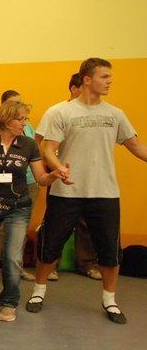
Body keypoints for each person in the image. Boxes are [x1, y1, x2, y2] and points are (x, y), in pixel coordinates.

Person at [27, 58, 147, 324]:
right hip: (65, 193)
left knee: (109, 250)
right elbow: (47, 148)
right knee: (50, 245)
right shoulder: (60, 112)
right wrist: (59, 167)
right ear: (87, 79)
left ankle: (109, 300)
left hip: (105, 193)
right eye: (104, 77)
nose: (109, 82)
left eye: (110, 77)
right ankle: (38, 291)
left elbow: (137, 146)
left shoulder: (115, 114)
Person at [0, 100, 70, 322]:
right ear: (8, 121)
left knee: (12, 258)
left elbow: (41, 178)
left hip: (18, 209)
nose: (25, 123)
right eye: (21, 119)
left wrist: (54, 175)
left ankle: (9, 301)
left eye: (26, 119)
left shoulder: (29, 145)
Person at [34, 73, 101, 282]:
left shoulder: (96, 114)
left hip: (90, 177)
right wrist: (47, 168)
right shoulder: (56, 112)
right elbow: (38, 142)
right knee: (56, 222)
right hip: (59, 176)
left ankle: (86, 264)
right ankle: (50, 265)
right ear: (73, 88)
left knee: (86, 223)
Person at [0, 91, 38, 282]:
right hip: (3, 185)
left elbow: (35, 152)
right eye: (13, 104)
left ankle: (17, 268)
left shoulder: (29, 128)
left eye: (20, 104)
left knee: (20, 228)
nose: (19, 109)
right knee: (0, 229)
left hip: (28, 182)